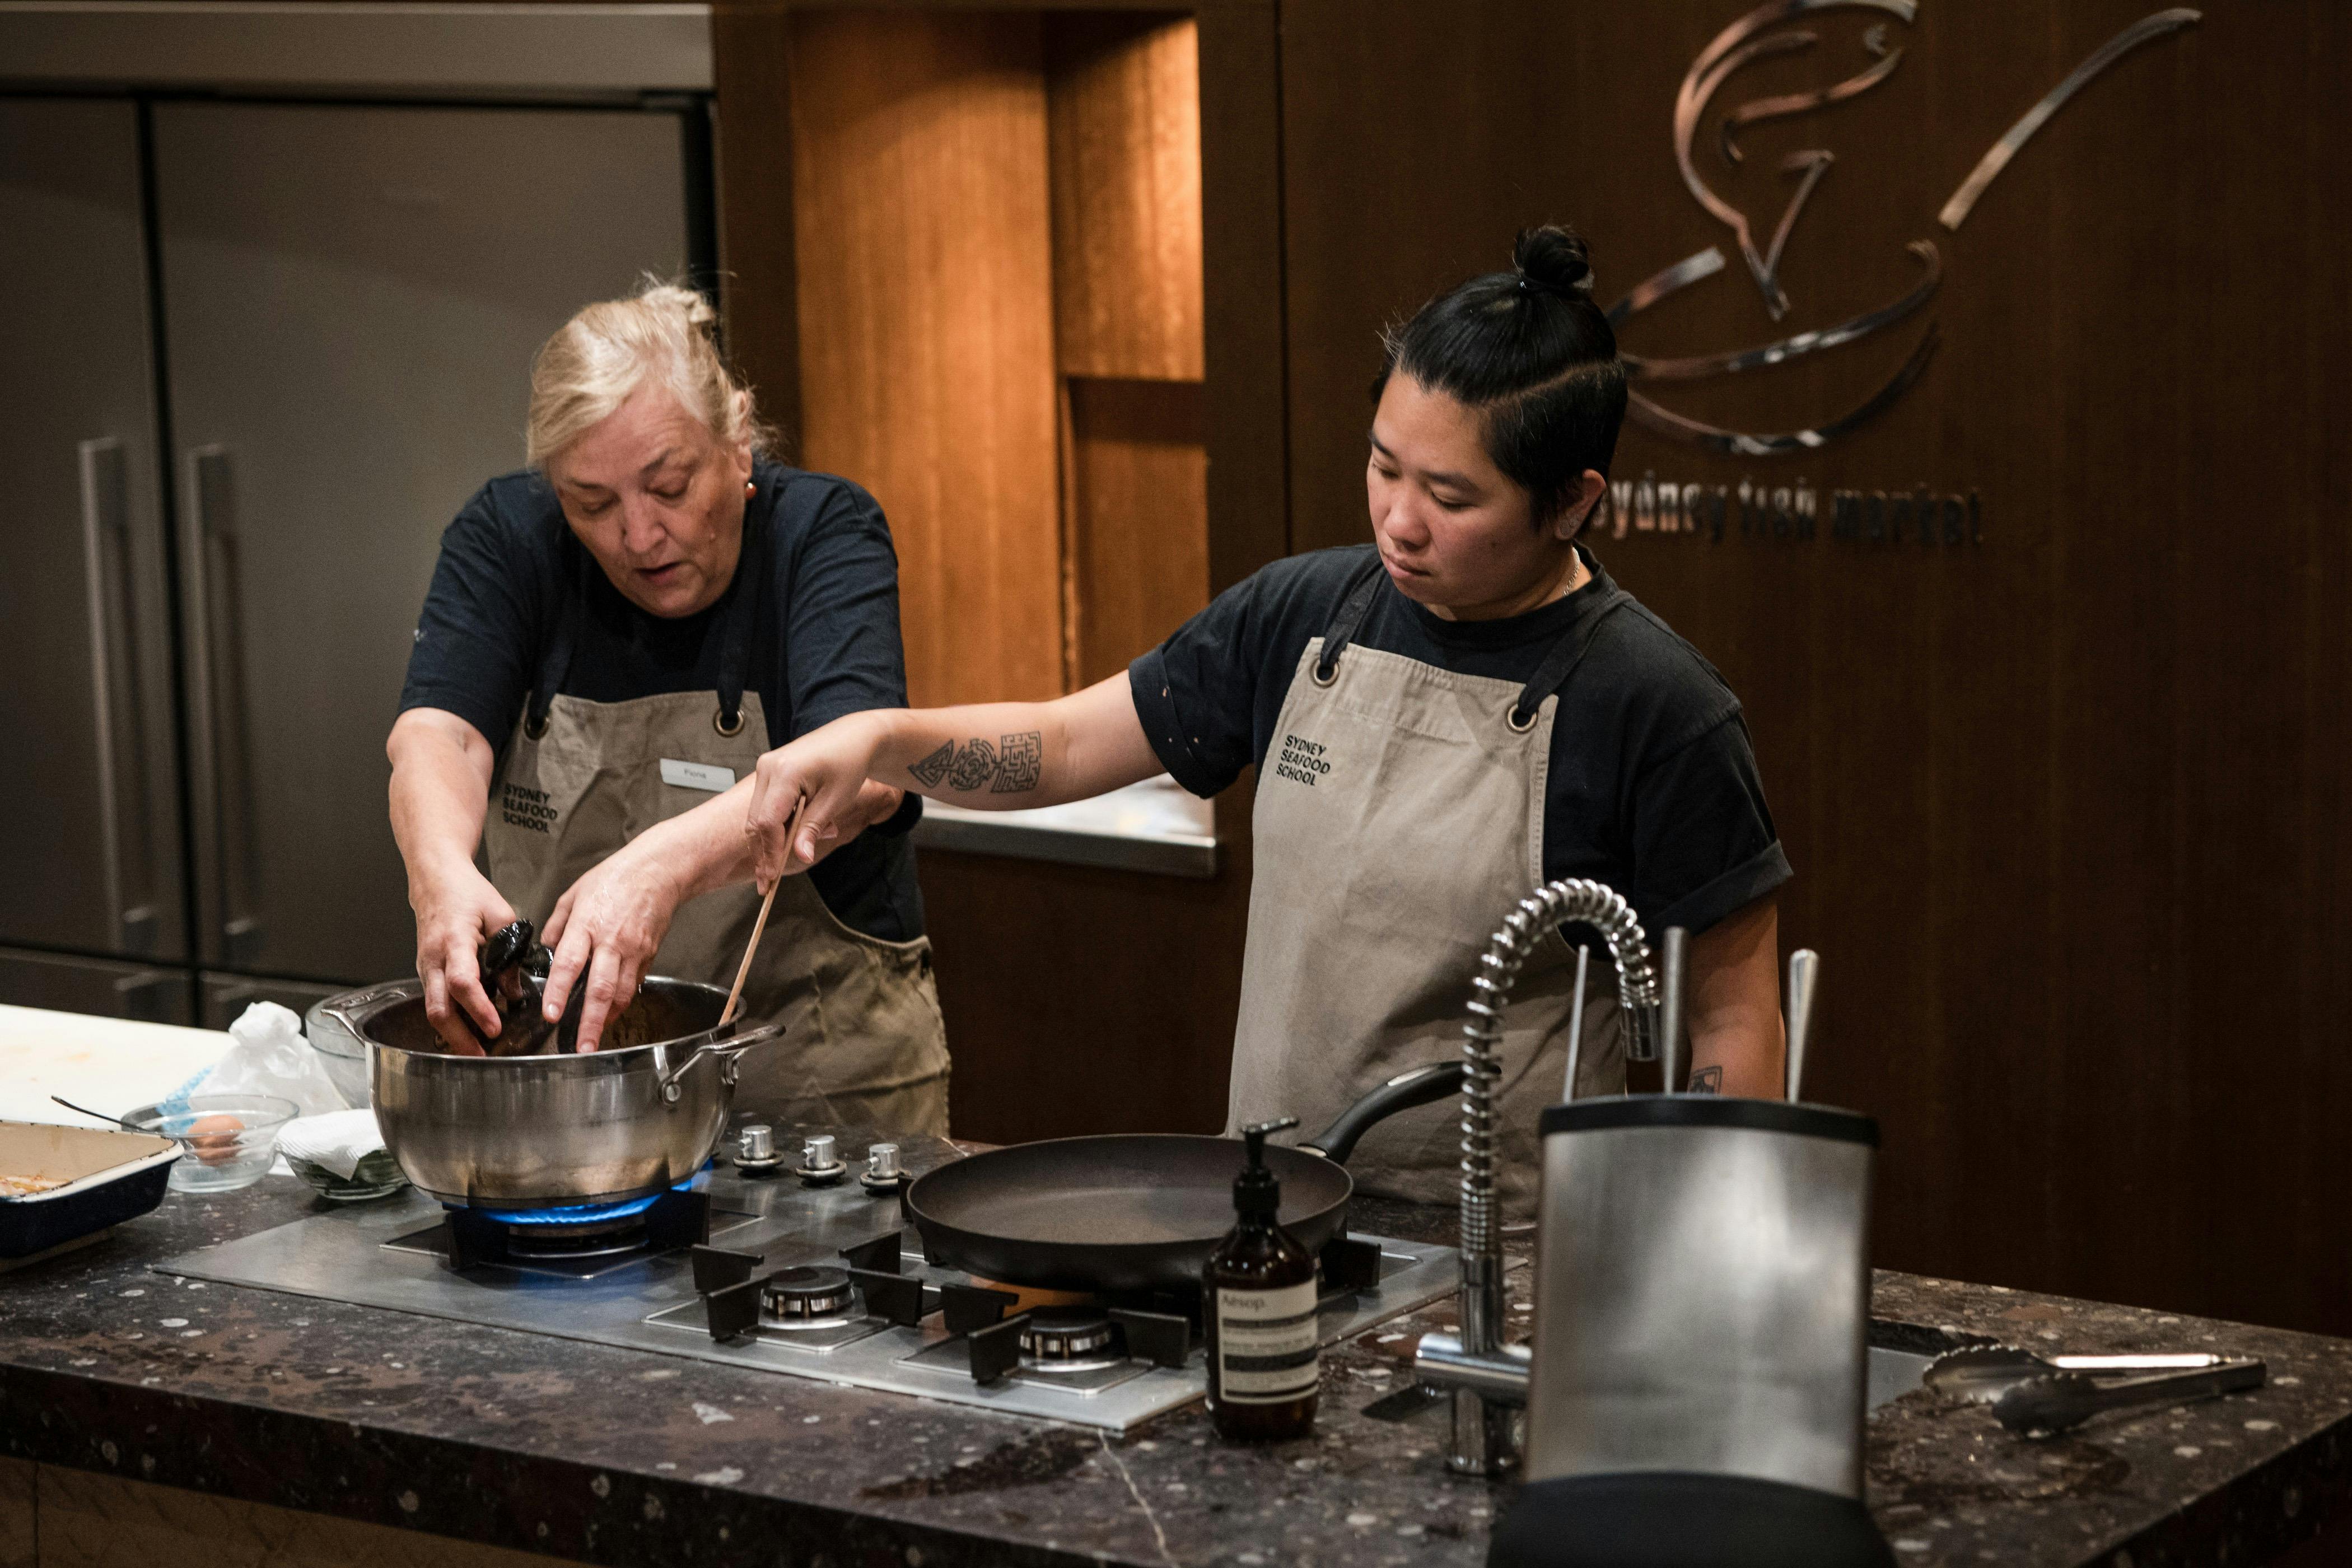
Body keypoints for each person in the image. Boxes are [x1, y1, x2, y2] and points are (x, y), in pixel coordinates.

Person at [783, 225, 1788, 1212]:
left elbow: (1734, 1025)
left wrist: (1706, 1262)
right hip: (1269, 1206)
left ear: (1572, 504)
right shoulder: (1302, 617)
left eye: (1450, 495)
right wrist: (884, 741)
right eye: (1384, 467)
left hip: (1503, 1246)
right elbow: (1063, 745)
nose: (1399, 518)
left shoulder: (1656, 706)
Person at [385, 281, 949, 1135]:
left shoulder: (822, 535)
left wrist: (660, 867)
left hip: (812, 1086)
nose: (638, 536)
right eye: (593, 504)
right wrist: (441, 879)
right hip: (572, 1096)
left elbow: (863, 772)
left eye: (670, 486)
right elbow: (441, 736)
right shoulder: (508, 539)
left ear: (740, 439)